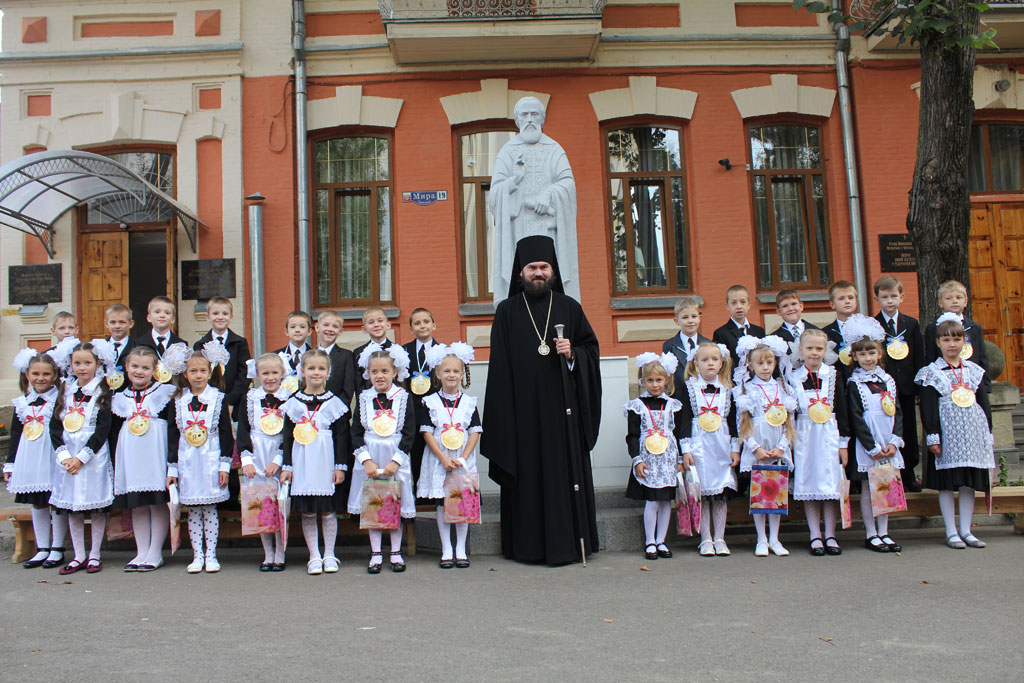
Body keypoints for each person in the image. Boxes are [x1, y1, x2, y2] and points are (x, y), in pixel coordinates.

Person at [483, 235, 601, 566]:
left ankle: (569, 545)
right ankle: (527, 548)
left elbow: (591, 350)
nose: (538, 273)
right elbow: (499, 370)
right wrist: (505, 420)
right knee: (528, 480)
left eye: (544, 267)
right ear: (520, 272)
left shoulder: (569, 307)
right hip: (522, 417)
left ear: (553, 271)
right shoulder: (506, 312)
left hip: (562, 414)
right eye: (532, 267)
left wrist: (573, 354)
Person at [489, 97, 580, 304]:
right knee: (521, 277)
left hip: (548, 228)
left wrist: (549, 194)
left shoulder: (554, 150)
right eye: (524, 115)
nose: (530, 120)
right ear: (517, 120)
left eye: (534, 114)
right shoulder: (507, 152)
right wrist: (515, 180)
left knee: (549, 275)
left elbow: (568, 184)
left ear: (542, 118)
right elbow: (495, 195)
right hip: (519, 229)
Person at [915, 314, 994, 549]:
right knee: (947, 483)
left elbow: (983, 403)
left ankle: (967, 530)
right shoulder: (932, 372)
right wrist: (932, 435)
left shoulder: (973, 370)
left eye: (957, 339)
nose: (952, 344)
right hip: (946, 434)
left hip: (971, 433)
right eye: (946, 340)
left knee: (968, 483)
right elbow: (928, 407)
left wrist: (987, 433)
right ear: (938, 343)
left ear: (964, 343)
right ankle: (951, 531)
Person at [48, 340, 117, 575]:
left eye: (87, 363)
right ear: (70, 365)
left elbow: (102, 428)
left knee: (96, 508)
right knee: (74, 508)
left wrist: (82, 458)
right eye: (77, 363)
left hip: (92, 457)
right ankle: (78, 555)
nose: (82, 368)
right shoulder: (65, 390)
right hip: (68, 459)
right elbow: (55, 426)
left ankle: (95, 554)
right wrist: (66, 457)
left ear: (97, 363)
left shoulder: (103, 391)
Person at [280, 348, 350, 575]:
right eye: (311, 368)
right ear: (301, 372)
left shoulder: (335, 403)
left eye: (321, 368)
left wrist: (340, 466)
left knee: (328, 510)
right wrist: (288, 466)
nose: (316, 372)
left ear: (329, 372)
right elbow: (287, 438)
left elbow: (342, 438)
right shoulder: (292, 403)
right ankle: (314, 555)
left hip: (326, 461)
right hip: (302, 461)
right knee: (308, 511)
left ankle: (330, 553)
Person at [165, 343, 234, 574]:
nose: (198, 375)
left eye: (202, 371)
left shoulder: (217, 398)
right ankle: (197, 555)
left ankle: (212, 554)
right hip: (187, 461)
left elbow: (226, 433)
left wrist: (225, 464)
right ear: (185, 373)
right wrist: (172, 469)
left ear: (210, 371)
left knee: (210, 508)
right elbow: (173, 436)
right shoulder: (178, 400)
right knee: (193, 510)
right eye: (193, 371)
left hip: (210, 459)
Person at [349, 344, 417, 574]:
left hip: (394, 458)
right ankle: (376, 551)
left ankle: (396, 551)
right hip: (371, 459)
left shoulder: (403, 398)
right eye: (374, 371)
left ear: (395, 373)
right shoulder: (364, 398)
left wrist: (395, 461)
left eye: (384, 371)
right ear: (368, 373)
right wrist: (366, 460)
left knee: (394, 504)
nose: (379, 376)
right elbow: (356, 432)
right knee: (374, 504)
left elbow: (409, 432)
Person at [109, 346, 177, 572]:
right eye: (135, 366)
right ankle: (141, 551)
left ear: (154, 370)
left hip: (154, 452)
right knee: (137, 505)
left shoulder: (164, 393)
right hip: (131, 455)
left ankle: (155, 552)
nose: (139, 371)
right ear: (126, 367)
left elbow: (172, 429)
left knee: (156, 503)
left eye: (145, 367)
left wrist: (171, 463)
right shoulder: (119, 397)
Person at [416, 342, 481, 569]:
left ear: (462, 373)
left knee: (461, 504)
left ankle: (461, 550)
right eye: (446, 371)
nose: (451, 375)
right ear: (437, 374)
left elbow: (474, 432)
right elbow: (426, 431)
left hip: (462, 461)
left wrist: (463, 457)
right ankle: (446, 550)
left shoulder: (469, 403)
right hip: (439, 460)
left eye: (455, 371)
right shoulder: (430, 402)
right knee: (443, 505)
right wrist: (443, 459)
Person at [844, 314, 905, 554]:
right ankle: (871, 532)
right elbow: (856, 417)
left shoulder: (888, 380)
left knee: (886, 486)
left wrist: (894, 441)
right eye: (862, 354)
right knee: (870, 489)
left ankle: (885, 531)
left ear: (879, 354)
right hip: (868, 443)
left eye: (871, 353)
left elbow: (897, 410)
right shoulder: (854, 383)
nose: (867, 358)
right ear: (855, 357)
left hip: (888, 440)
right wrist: (872, 447)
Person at [733, 335, 795, 557]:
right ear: (750, 365)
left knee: (776, 493)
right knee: (759, 495)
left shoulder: (783, 388)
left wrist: (782, 447)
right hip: (758, 449)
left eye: (769, 362)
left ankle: (775, 539)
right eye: (760, 363)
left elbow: (790, 421)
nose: (765, 367)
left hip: (777, 447)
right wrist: (755, 448)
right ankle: (761, 539)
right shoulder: (746, 389)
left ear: (775, 363)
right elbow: (742, 423)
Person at [4, 349, 67, 569]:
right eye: (36, 374)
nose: (41, 378)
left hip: (51, 456)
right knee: (37, 502)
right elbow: (15, 435)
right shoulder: (22, 403)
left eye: (46, 374)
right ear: (27, 375)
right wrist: (10, 464)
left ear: (55, 376)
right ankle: (42, 548)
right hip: (30, 457)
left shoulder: (60, 400)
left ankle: (58, 548)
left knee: (55, 502)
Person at [789, 329, 848, 556]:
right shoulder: (793, 377)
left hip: (829, 434)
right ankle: (815, 534)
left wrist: (843, 443)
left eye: (819, 349)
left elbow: (841, 411)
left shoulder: (833, 375)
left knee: (830, 485)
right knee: (810, 483)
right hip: (804, 434)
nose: (814, 353)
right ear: (801, 351)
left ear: (826, 351)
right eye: (810, 348)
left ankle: (831, 533)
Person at [624, 353, 688, 561]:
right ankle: (650, 541)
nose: (654, 385)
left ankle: (662, 540)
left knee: (665, 501)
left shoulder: (673, 405)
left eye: (659, 380)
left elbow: (678, 434)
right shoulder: (637, 406)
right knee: (652, 500)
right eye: (650, 380)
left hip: (668, 458)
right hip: (648, 458)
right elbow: (632, 435)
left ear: (666, 380)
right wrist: (637, 460)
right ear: (643, 381)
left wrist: (679, 460)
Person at [679, 342, 739, 556]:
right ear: (696, 364)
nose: (710, 363)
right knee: (702, 493)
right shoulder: (689, 387)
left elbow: (734, 421)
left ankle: (720, 538)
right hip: (699, 444)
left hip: (721, 444)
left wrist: (735, 448)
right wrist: (685, 449)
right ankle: (705, 539)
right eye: (705, 360)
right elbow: (684, 420)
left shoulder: (729, 387)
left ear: (721, 362)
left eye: (714, 359)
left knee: (720, 494)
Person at [237, 353, 291, 571]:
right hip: (256, 455)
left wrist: (279, 460)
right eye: (265, 373)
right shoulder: (250, 398)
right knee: (260, 505)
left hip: (277, 455)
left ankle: (280, 552)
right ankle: (267, 553)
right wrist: (246, 459)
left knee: (278, 505)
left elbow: (291, 433)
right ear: (257, 374)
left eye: (274, 373)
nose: (270, 378)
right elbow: (243, 429)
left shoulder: (289, 397)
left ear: (282, 373)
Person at [873, 276, 924, 491]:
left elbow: (918, 355)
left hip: (906, 386)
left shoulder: (910, 324)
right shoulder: (874, 324)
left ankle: (909, 471)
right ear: (877, 298)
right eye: (885, 297)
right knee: (887, 428)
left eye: (894, 296)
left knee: (908, 428)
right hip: (884, 389)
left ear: (902, 297)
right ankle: (889, 472)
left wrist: (919, 386)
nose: (890, 301)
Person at [922, 280, 990, 393]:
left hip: (971, 380)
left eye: (959, 298)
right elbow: (930, 357)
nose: (954, 301)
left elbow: (982, 357)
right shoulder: (933, 328)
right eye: (948, 298)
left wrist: (986, 386)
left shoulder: (974, 327)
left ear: (966, 302)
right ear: (940, 303)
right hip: (946, 381)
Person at [194, 296, 251, 421]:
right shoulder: (200, 345)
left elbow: (245, 374)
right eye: (215, 313)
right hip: (208, 401)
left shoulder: (240, 343)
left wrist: (230, 401)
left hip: (235, 403)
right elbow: (198, 373)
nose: (220, 317)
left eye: (225, 313)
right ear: (207, 317)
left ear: (231, 317)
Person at [403, 307, 438, 482]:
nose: (422, 326)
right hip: (413, 411)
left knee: (436, 454)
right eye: (417, 323)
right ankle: (420, 500)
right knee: (416, 454)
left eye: (426, 321)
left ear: (434, 325)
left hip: (436, 412)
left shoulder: (443, 351)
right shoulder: (403, 351)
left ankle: (438, 497)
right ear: (411, 328)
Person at [662, 295, 711, 401]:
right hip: (679, 397)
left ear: (699, 318)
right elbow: (668, 375)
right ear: (676, 321)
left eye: (694, 316)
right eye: (685, 317)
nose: (690, 321)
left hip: (704, 398)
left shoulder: (708, 345)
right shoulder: (669, 346)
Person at [713, 285, 766, 369]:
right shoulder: (721, 333)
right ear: (727, 306)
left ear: (749, 305)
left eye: (743, 302)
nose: (739, 306)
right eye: (734, 303)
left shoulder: (759, 331)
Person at [316, 310, 356, 407]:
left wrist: (336, 409)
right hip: (313, 412)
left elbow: (348, 388)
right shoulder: (308, 355)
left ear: (340, 331)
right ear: (317, 327)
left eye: (335, 326)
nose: (330, 329)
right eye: (326, 325)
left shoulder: (346, 356)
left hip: (338, 412)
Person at [352, 307, 394, 394]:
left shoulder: (397, 350)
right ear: (364, 329)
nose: (376, 325)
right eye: (371, 322)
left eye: (380, 321)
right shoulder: (358, 353)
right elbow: (358, 384)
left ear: (388, 325)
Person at [133, 296, 188, 361]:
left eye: (167, 313)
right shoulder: (139, 343)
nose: (162, 315)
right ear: (149, 318)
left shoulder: (180, 344)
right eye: (157, 312)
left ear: (173, 319)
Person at [822, 281, 859, 378]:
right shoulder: (825, 333)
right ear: (832, 304)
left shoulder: (866, 329)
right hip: (838, 383)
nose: (847, 301)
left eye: (851, 298)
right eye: (841, 298)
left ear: (856, 301)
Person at [273, 310, 312, 395]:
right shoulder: (276, 356)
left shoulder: (315, 356)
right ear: (286, 331)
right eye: (293, 327)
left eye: (302, 327)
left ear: (309, 331)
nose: (297, 330)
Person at [104, 303, 135, 390]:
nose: (117, 326)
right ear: (106, 324)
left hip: (128, 394)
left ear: (130, 324)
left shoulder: (137, 347)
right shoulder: (99, 348)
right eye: (113, 322)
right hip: (103, 395)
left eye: (122, 322)